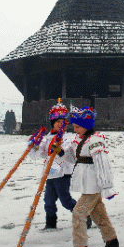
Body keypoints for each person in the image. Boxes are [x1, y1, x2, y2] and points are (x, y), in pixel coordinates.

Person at [59, 106, 119, 247]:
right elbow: (73, 158)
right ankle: (112, 242)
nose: (75, 129)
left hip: (94, 183)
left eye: (78, 126)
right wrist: (60, 152)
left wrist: (106, 186)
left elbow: (102, 163)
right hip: (86, 182)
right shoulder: (77, 139)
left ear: (87, 125)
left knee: (78, 214)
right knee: (98, 214)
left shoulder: (95, 140)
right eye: (74, 126)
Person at [28, 99, 78, 230]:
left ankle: (83, 216)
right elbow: (41, 153)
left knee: (65, 200)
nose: (60, 125)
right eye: (57, 122)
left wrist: (60, 150)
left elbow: (68, 150)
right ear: (52, 123)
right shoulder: (48, 138)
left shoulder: (68, 137)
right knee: (48, 201)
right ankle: (50, 223)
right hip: (50, 173)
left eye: (62, 122)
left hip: (63, 173)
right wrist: (35, 145)